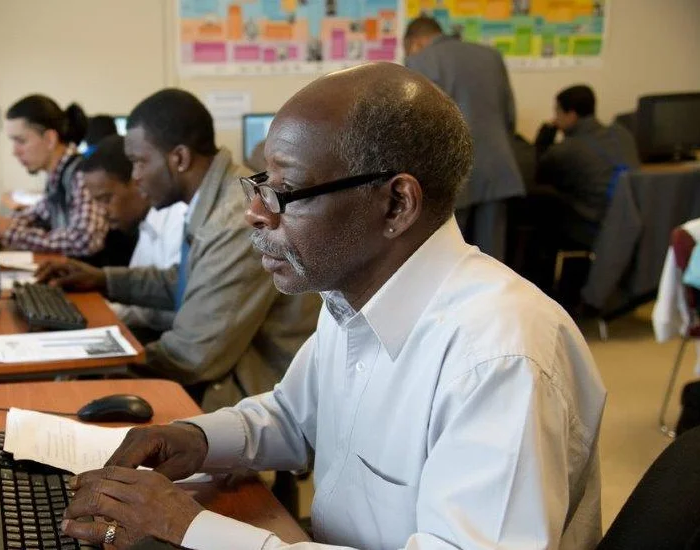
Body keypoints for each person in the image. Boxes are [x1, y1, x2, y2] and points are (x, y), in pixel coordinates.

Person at [57, 63, 607, 550]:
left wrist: (192, 530)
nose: (255, 212)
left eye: (285, 190)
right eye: (259, 183)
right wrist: (197, 440)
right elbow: (294, 416)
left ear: (396, 204)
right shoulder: (350, 293)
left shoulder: (500, 356)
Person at [37, 88, 321, 411]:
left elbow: (193, 356)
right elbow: (189, 283)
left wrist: (96, 363)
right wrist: (104, 279)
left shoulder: (234, 219)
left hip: (257, 395)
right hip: (228, 369)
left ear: (180, 159)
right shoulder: (215, 198)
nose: (135, 177)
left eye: (139, 162)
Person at [404, 16, 524, 261]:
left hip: (448, 174)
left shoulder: (419, 61)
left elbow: (415, 126)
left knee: (448, 260)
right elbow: (509, 116)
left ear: (415, 42)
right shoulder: (490, 56)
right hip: (496, 170)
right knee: (492, 262)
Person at [80, 134, 187, 333]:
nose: (102, 211)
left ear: (137, 182)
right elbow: (141, 308)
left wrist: (106, 312)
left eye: (106, 198)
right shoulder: (146, 224)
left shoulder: (179, 218)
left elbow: (182, 307)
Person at [0, 94, 109, 258]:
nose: (15, 152)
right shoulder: (57, 177)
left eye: (21, 141)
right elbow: (38, 213)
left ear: (49, 139)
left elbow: (85, 240)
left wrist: (11, 232)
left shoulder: (81, 174)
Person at [534, 84, 640, 249]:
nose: (555, 118)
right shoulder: (622, 133)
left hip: (596, 228)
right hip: (636, 220)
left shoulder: (568, 148)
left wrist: (544, 138)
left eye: (558, 112)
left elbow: (540, 173)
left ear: (571, 115)